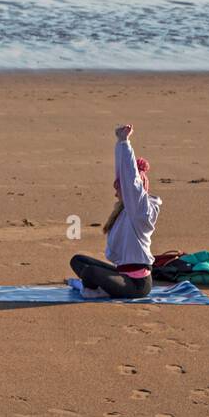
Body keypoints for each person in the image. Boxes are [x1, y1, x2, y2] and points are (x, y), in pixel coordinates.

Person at [69, 124, 162, 299]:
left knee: (90, 272)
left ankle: (95, 291)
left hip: (137, 285)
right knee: (78, 260)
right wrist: (119, 143)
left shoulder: (141, 211)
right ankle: (99, 287)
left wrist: (124, 142)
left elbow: (131, 181)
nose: (115, 192)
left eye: (119, 188)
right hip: (122, 275)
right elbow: (126, 179)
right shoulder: (124, 210)